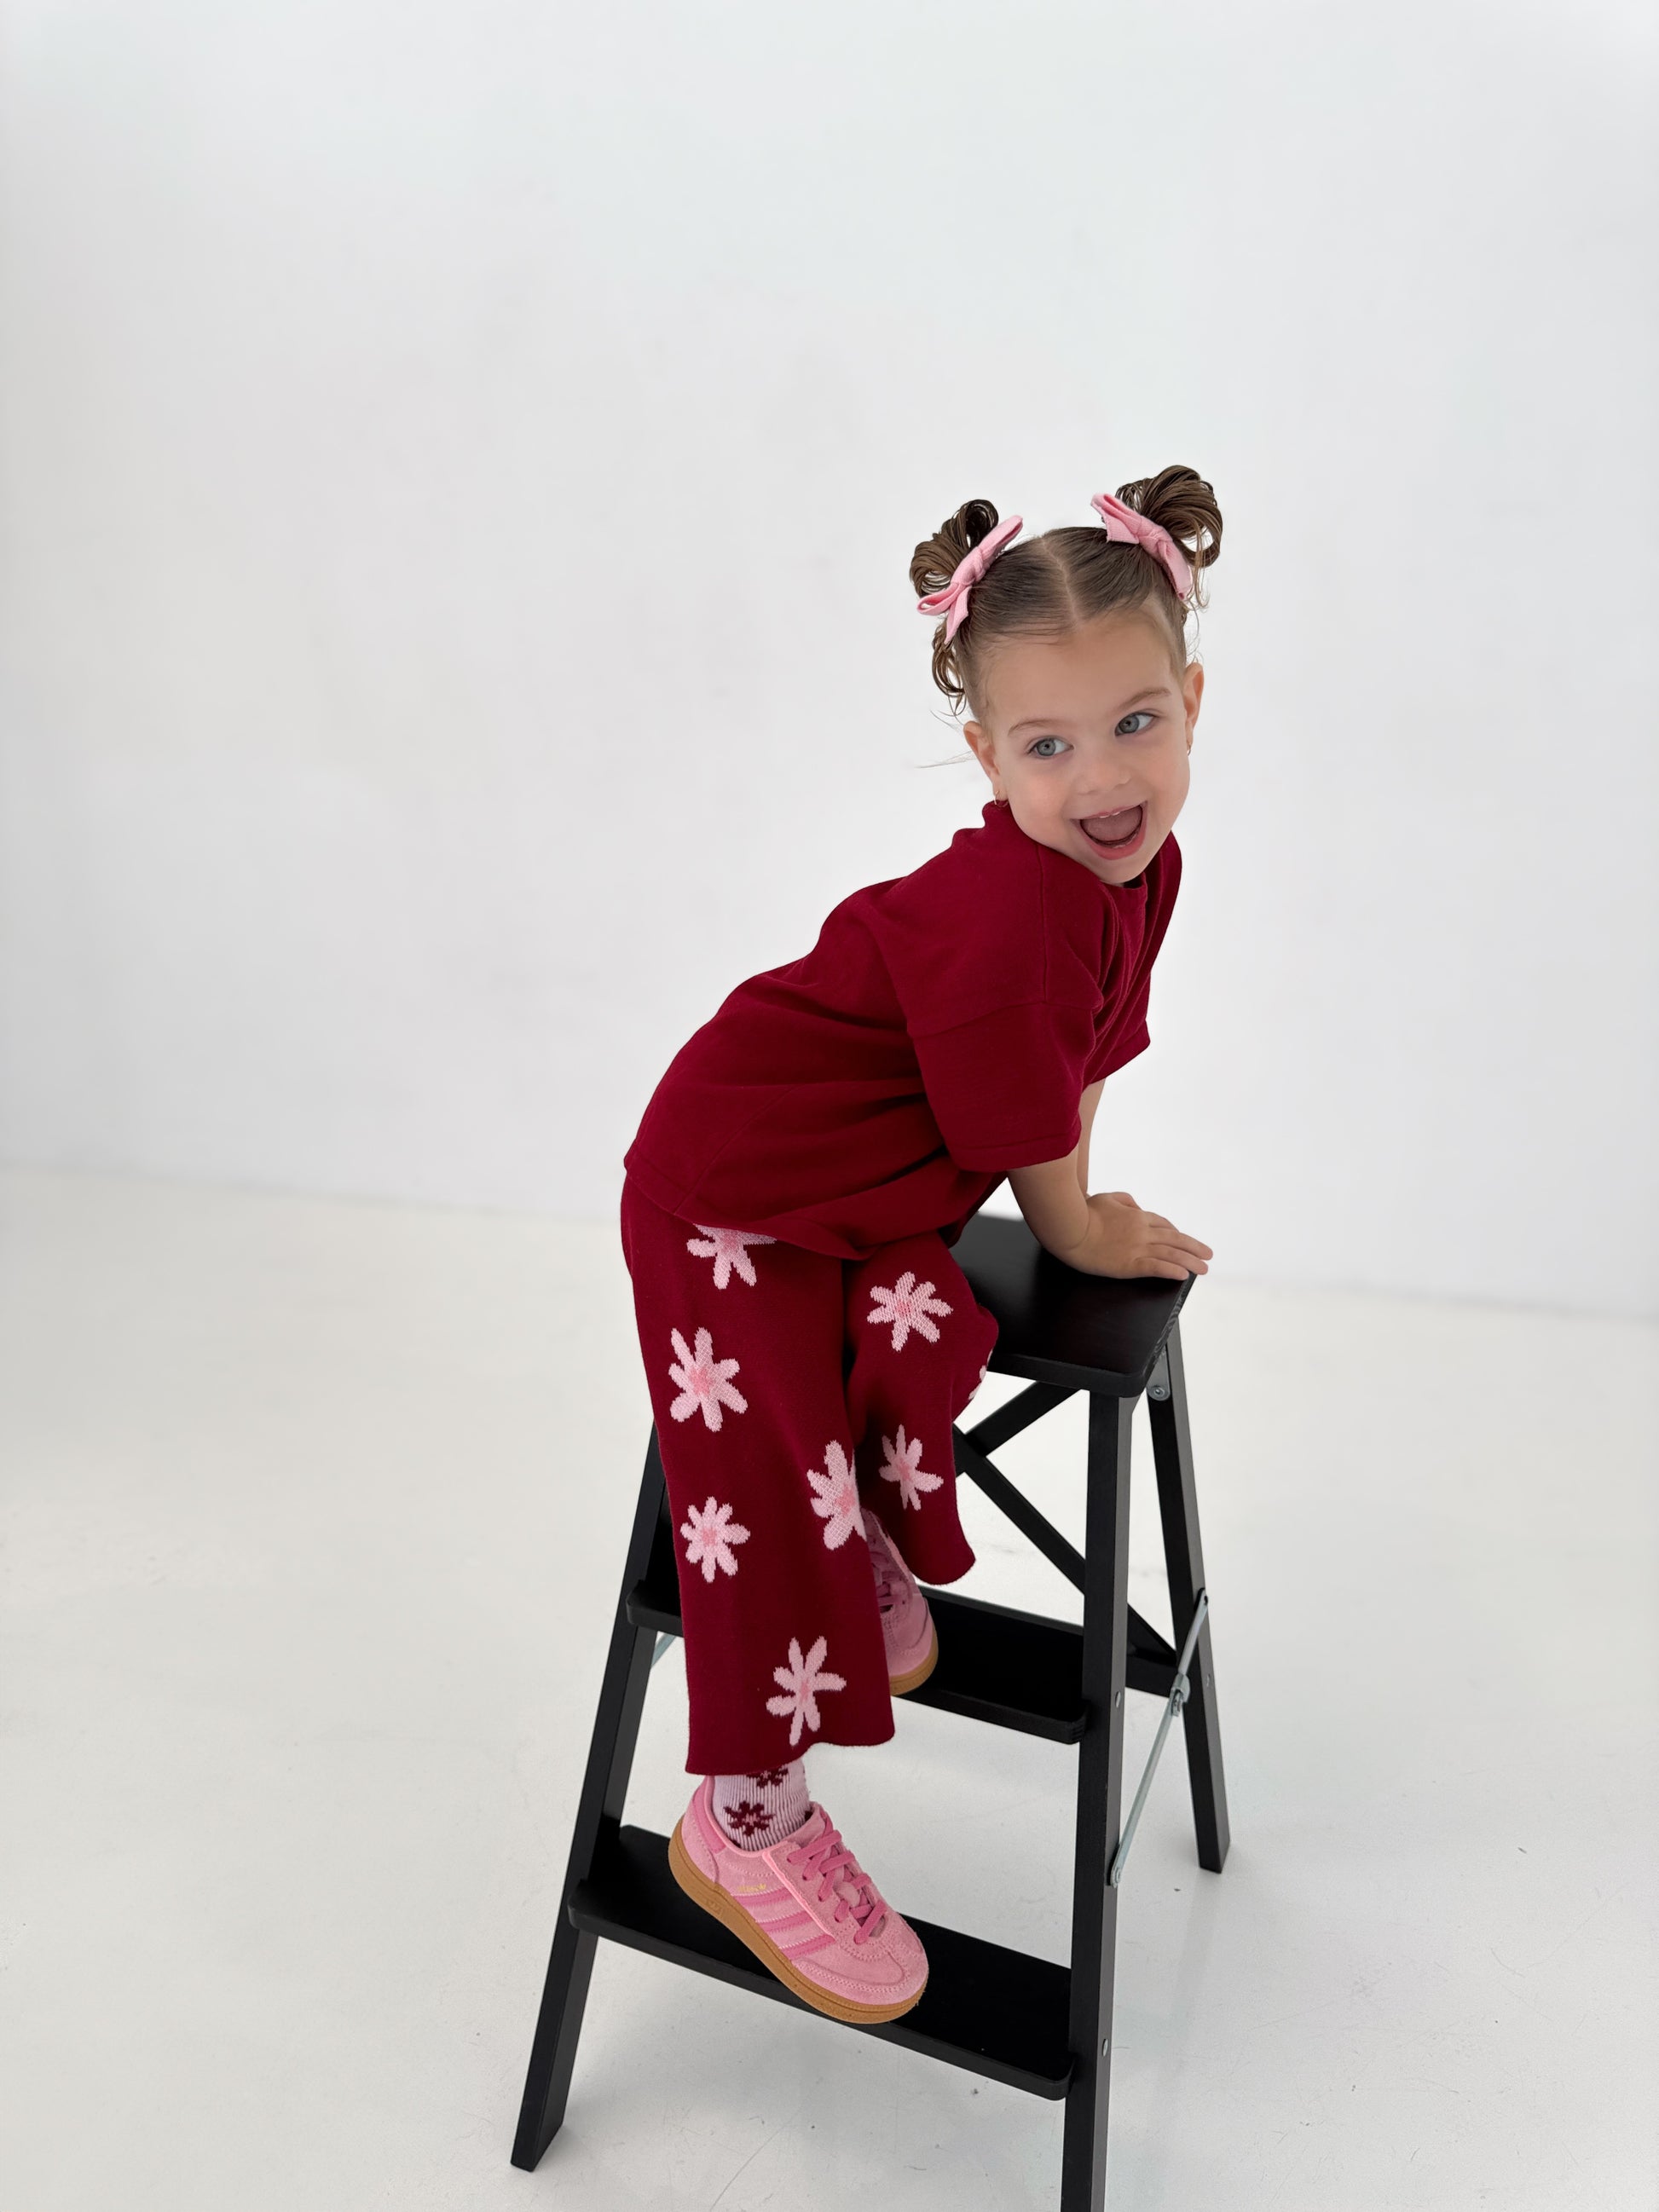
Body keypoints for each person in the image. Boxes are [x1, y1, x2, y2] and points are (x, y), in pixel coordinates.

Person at [619, 467, 1218, 2027]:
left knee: (925, 1322)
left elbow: (1076, 1063)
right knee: (764, 1485)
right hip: (737, 1187)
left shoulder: (1135, 869)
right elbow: (1033, 1128)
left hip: (869, 1191)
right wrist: (1075, 1221)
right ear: (984, 755)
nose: (1103, 778)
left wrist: (1081, 1208)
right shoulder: (1018, 906)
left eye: (1135, 723)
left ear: (1191, 700)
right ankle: (744, 1818)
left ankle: (868, 1532)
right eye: (1047, 746)